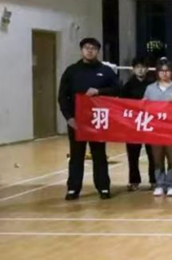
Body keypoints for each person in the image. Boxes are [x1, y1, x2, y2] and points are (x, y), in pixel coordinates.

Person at [58, 37, 120, 200]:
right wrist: (69, 118)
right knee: (76, 155)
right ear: (82, 50)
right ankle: (73, 188)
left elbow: (117, 89)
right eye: (87, 48)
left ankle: (103, 187)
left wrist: (99, 91)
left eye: (93, 48)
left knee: (99, 154)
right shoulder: (72, 71)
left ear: (97, 51)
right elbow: (63, 96)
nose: (90, 51)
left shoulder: (106, 71)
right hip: (76, 121)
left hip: (98, 121)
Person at [143, 59, 172, 197]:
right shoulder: (150, 88)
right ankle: (160, 184)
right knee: (157, 159)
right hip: (155, 129)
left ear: (171, 72)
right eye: (161, 71)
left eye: (167, 71)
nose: (164, 73)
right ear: (157, 73)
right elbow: (143, 106)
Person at [121, 56, 155, 191]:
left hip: (150, 124)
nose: (140, 70)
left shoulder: (153, 84)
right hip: (133, 125)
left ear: (147, 69)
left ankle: (154, 180)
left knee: (153, 154)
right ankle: (134, 180)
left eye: (143, 67)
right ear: (133, 69)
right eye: (138, 67)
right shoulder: (127, 85)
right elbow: (121, 104)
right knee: (133, 154)